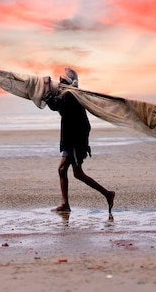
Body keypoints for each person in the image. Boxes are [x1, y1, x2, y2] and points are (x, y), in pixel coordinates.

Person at [43, 68, 115, 213]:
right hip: (70, 140)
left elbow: (53, 105)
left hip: (74, 141)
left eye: (62, 81)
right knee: (64, 170)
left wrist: (46, 85)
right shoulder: (70, 96)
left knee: (76, 172)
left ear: (69, 84)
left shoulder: (70, 95)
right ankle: (66, 204)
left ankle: (108, 194)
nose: (59, 82)